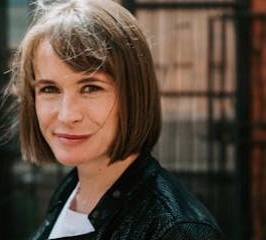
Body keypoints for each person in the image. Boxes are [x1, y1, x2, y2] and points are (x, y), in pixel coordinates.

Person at [11, 0, 222, 239]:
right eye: (50, 89)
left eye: (90, 88)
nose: (67, 115)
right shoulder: (73, 191)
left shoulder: (176, 230)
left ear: (133, 94)